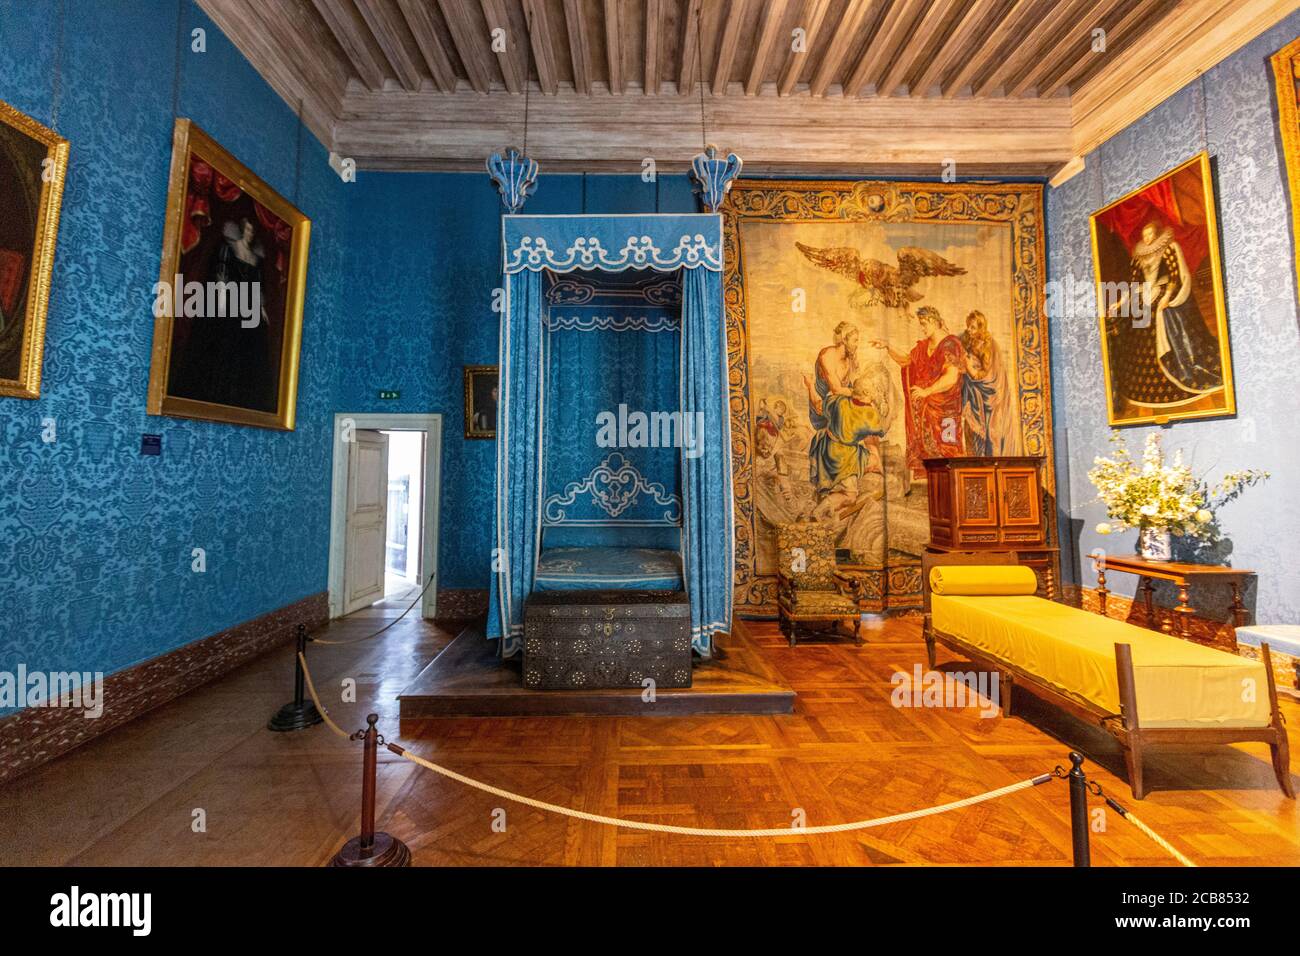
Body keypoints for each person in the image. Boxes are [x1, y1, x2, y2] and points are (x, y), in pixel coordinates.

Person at [1104, 220, 1223, 410]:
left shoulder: (1169, 249)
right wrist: (1118, 303)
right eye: (1145, 235)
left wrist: (1166, 297)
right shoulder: (1138, 256)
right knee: (1139, 313)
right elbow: (1133, 283)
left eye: (1150, 234)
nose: (1147, 238)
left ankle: (1174, 360)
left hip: (1166, 289)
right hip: (1145, 293)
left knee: (1158, 309)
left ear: (1157, 234)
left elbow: (1175, 276)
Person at [870, 305, 964, 477]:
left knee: (948, 451)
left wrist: (927, 391)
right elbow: (907, 361)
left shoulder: (950, 344)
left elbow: (952, 377)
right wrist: (888, 346)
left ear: (935, 322)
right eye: (921, 324)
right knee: (930, 457)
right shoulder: (924, 347)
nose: (922, 328)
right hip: (925, 411)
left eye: (924, 324)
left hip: (946, 412)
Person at [959, 310, 1016, 456]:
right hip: (971, 393)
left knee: (987, 433)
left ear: (980, 328)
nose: (969, 330)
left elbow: (988, 375)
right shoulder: (968, 340)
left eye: (973, 327)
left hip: (985, 396)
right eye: (968, 326)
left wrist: (972, 371)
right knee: (969, 430)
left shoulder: (987, 346)